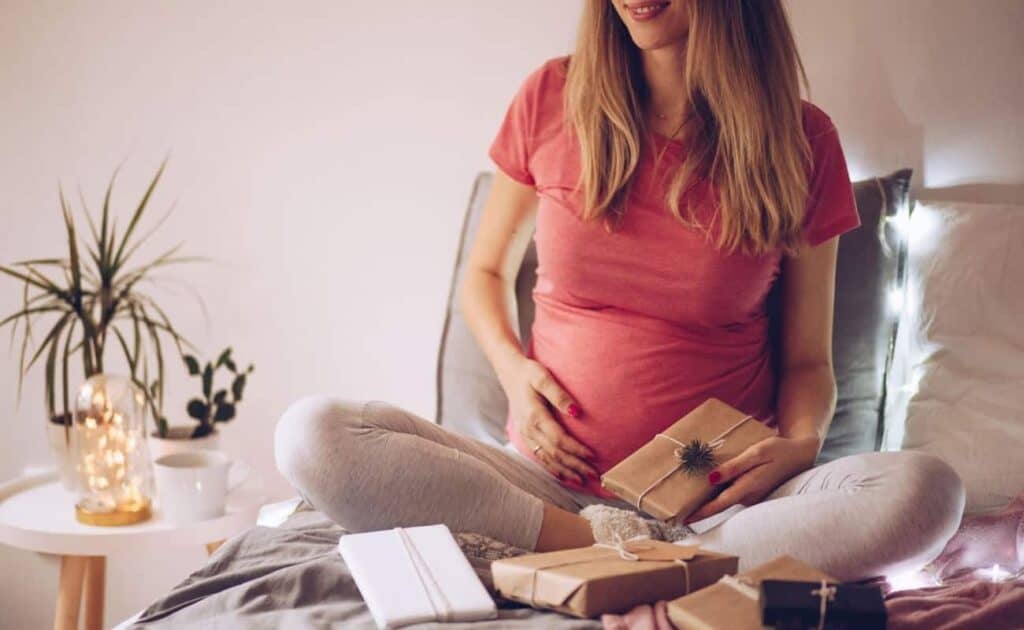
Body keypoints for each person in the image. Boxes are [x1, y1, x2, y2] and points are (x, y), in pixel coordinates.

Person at [276, 0, 964, 580]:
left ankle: (650, 558)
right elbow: (484, 275)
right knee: (313, 434)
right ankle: (629, 558)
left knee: (927, 493)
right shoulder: (551, 96)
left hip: (719, 507)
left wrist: (804, 443)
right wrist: (517, 377)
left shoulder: (803, 142)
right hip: (540, 495)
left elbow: (809, 361)